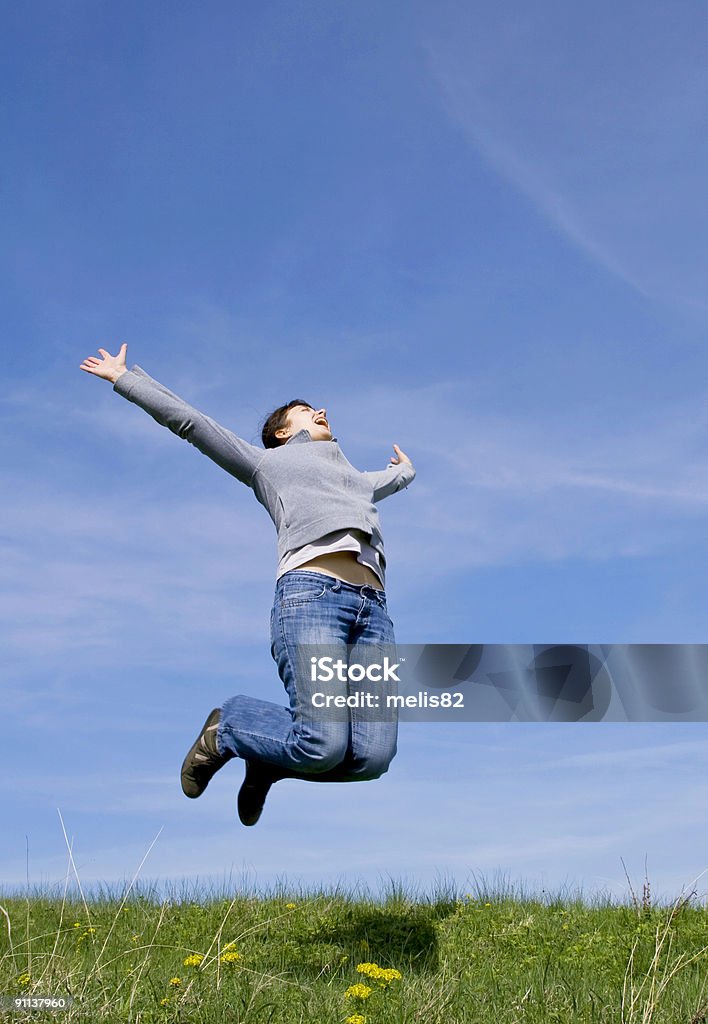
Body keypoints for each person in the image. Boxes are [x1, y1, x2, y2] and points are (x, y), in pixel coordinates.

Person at [80, 343, 416, 825]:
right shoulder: (268, 464)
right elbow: (192, 424)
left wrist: (405, 470)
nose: (320, 411)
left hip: (374, 614)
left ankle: (267, 757)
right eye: (305, 411)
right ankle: (229, 725)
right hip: (313, 597)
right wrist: (125, 379)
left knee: (372, 758)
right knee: (322, 744)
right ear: (282, 433)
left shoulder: (356, 480)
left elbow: (389, 479)